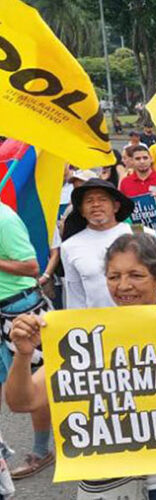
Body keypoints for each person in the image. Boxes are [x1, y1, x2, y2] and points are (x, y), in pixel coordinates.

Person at [6, 232, 156, 499]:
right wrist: (23, 354)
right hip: (109, 484)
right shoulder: (85, 333)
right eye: (114, 277)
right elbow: (22, 402)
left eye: (136, 275)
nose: (123, 286)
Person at [0, 203, 54, 480]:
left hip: (20, 310)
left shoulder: (4, 218)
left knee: (36, 386)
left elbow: (32, 266)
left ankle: (41, 450)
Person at [61, 178, 141, 309]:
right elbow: (75, 296)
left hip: (143, 320)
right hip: (99, 326)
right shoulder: (69, 246)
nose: (96, 204)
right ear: (81, 210)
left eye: (102, 199)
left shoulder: (140, 234)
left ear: (116, 206)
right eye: (89, 201)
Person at [118, 145, 156, 213]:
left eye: (145, 158)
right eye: (137, 159)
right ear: (132, 161)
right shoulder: (125, 182)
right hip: (135, 223)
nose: (142, 161)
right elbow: (121, 207)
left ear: (151, 159)